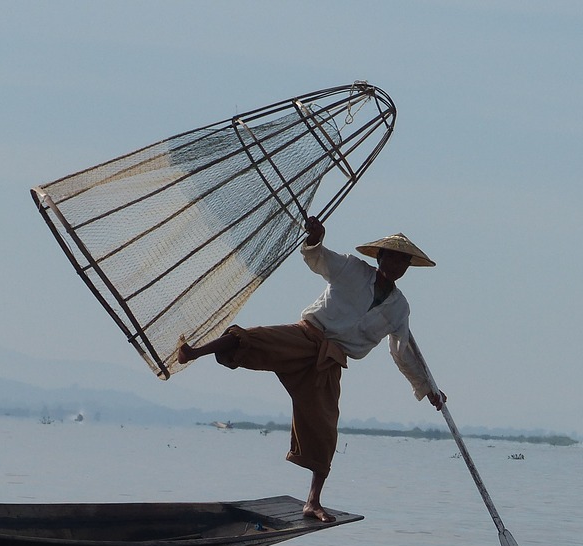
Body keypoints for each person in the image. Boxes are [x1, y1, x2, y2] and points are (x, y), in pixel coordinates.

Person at [176, 216, 446, 523]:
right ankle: (194, 352)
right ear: (380, 257)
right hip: (307, 335)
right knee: (254, 339)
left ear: (406, 268)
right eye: (392, 258)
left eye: (403, 262)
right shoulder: (352, 269)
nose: (396, 265)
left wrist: (428, 389)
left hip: (331, 360)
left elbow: (402, 351)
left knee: (325, 428)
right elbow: (317, 259)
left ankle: (313, 502)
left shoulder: (399, 307)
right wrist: (316, 239)